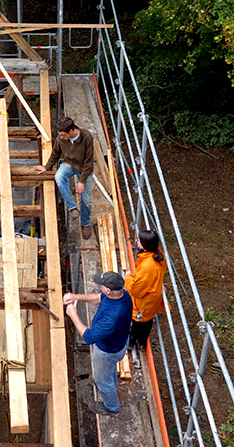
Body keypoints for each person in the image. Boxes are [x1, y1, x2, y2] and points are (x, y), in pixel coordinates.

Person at [63, 272, 132, 416]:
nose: (99, 287)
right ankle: (109, 380)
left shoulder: (112, 317)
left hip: (107, 351)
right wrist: (76, 297)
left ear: (108, 290)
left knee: (103, 382)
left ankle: (112, 408)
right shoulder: (122, 294)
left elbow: (89, 337)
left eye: (101, 285)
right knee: (108, 371)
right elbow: (99, 298)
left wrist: (73, 314)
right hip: (118, 343)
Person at [33, 116, 95, 239]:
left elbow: (89, 162)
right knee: (59, 177)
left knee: (87, 199)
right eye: (60, 135)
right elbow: (55, 153)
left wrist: (82, 181)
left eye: (63, 135)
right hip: (69, 164)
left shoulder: (86, 137)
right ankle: (72, 208)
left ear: (71, 131)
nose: (60, 137)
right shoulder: (61, 138)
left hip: (84, 167)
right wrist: (46, 167)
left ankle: (85, 224)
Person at [125, 230, 166, 352]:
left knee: (137, 321)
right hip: (154, 298)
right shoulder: (159, 255)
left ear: (144, 245)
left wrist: (128, 278)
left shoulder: (147, 265)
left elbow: (136, 290)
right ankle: (142, 344)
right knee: (148, 321)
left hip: (144, 301)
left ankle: (131, 343)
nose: (136, 241)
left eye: (138, 240)